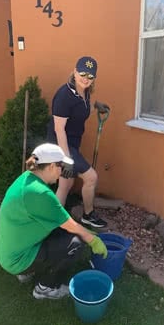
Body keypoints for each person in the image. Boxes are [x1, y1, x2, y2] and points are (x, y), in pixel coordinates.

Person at [0, 143, 108, 300]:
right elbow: (69, 224)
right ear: (49, 166)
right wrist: (93, 239)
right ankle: (46, 288)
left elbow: (61, 220)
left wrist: (84, 231)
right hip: (18, 260)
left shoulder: (27, 178)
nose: (62, 171)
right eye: (60, 166)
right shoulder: (39, 193)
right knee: (75, 244)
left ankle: (26, 273)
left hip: (10, 254)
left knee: (65, 232)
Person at [47, 56, 110, 228]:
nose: (85, 78)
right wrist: (66, 160)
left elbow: (83, 105)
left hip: (72, 143)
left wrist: (97, 105)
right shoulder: (64, 96)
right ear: (75, 71)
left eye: (90, 76)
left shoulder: (85, 91)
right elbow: (59, 130)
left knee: (66, 184)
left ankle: (54, 221)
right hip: (60, 144)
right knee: (91, 178)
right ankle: (88, 215)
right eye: (82, 73)